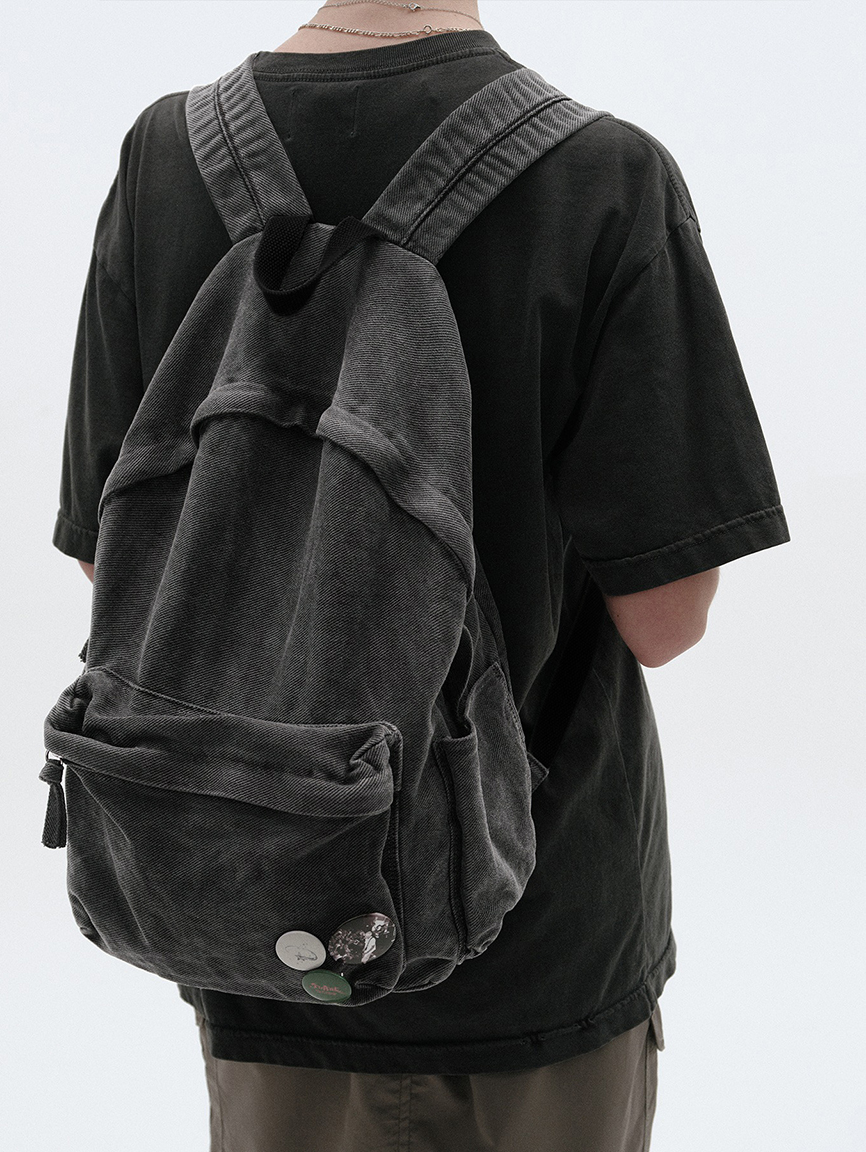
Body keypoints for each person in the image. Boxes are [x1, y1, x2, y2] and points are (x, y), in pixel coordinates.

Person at [53, 3, 790, 1149]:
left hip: (267, 930)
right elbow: (665, 619)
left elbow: (118, 563)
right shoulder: (604, 179)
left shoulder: (165, 157)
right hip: (537, 953)